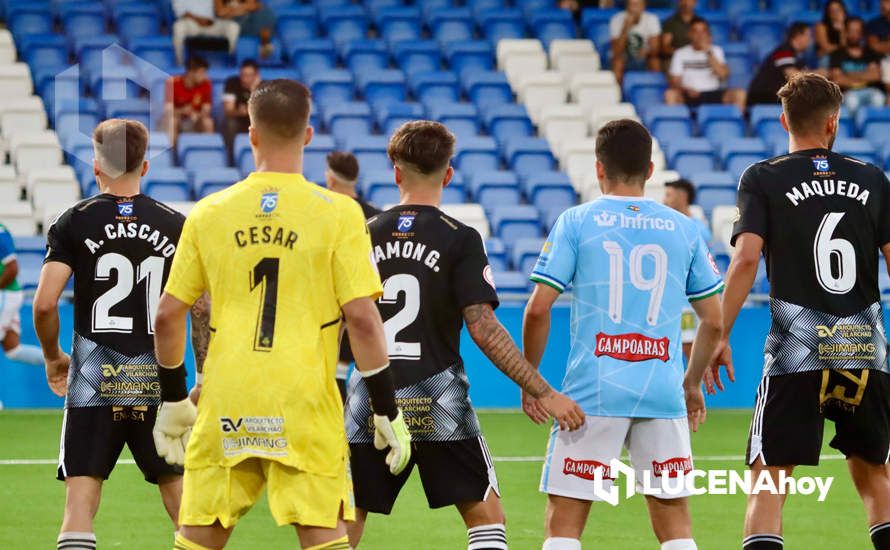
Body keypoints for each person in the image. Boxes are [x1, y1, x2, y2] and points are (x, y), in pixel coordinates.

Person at [150, 79, 411, 550]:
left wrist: (172, 401)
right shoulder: (339, 213)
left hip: (227, 394)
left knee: (200, 535)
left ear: (251, 134)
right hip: (304, 398)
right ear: (308, 135)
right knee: (321, 532)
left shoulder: (208, 213)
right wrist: (385, 406)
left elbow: (168, 315)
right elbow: (364, 318)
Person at [344, 120, 584, 550]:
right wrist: (541, 389)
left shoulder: (360, 235)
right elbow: (484, 327)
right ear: (448, 174)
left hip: (370, 397)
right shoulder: (461, 239)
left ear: (395, 171)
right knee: (484, 517)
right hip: (438, 398)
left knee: (346, 516)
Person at [523, 119, 725, 550]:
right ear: (650, 170)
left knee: (565, 522)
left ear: (599, 168)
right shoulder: (684, 229)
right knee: (674, 524)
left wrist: (533, 380)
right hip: (662, 390)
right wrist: (690, 384)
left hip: (591, 393)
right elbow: (714, 320)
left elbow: (539, 308)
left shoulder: (576, 222)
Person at [711, 72, 890, 550]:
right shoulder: (873, 179)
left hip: (797, 353)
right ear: (833, 123)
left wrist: (718, 336)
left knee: (768, 480)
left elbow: (746, 258)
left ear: (782, 118)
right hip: (862, 350)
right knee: (876, 476)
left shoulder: (763, 177)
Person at [32, 119, 209, 550]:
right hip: (160, 380)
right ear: (145, 165)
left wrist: (54, 356)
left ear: (96, 165)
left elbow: (44, 303)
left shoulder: (74, 221)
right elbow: (203, 307)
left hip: (94, 382)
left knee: (79, 502)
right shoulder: (176, 224)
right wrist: (203, 377)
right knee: (182, 501)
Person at [325, 150, 381, 400]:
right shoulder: (376, 217)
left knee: (333, 375)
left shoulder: (324, 214)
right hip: (370, 305)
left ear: (331, 178)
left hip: (332, 307)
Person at [664, 179, 714, 364]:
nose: (664, 200)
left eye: (668, 195)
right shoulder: (667, 224)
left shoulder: (696, 229)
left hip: (687, 303)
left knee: (687, 347)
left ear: (682, 196)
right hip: (669, 299)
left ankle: (696, 388)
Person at [665, 18, 746, 109]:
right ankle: (676, 123)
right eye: (696, 31)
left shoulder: (716, 50)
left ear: (708, 34)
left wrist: (708, 52)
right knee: (670, 94)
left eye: (703, 31)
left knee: (740, 94)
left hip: (712, 93)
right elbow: (674, 82)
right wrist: (686, 89)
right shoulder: (680, 53)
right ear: (689, 34)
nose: (700, 35)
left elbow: (723, 75)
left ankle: (736, 123)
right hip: (689, 93)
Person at [0, 223, 43, 366]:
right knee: (13, 350)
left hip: (5, 294)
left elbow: (12, 269)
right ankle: (69, 365)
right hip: (7, 296)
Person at [747, 22, 816, 107]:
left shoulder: (798, 57)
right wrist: (818, 74)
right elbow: (793, 76)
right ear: (798, 36)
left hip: (777, 96)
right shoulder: (783, 51)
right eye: (808, 36)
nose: (810, 40)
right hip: (763, 96)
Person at [829, 17, 886, 116]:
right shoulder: (837, 54)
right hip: (849, 93)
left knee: (878, 99)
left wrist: (848, 75)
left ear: (862, 34)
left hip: (871, 91)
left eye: (857, 31)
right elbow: (837, 79)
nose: (854, 35)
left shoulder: (871, 53)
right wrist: (865, 76)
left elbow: (875, 76)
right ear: (845, 32)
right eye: (851, 31)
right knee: (852, 101)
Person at [171, 0, 239, 66]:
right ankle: (180, 63)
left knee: (233, 27)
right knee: (178, 27)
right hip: (191, 24)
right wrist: (198, 19)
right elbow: (180, 12)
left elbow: (220, 10)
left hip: (212, 23)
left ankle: (231, 61)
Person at [165, 56, 214, 146]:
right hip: (178, 119)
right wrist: (182, 111)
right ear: (191, 73)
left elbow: (206, 110)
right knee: (172, 121)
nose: (205, 76)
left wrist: (196, 114)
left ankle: (207, 153)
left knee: (208, 122)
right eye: (202, 73)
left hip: (196, 119)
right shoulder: (173, 83)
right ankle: (172, 155)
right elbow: (168, 111)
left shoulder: (206, 84)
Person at [609, 0, 661, 83]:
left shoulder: (652, 19)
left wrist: (646, 52)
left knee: (654, 61)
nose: (633, 8)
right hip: (624, 56)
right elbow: (617, 51)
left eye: (637, 5)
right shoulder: (616, 19)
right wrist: (625, 28)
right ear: (627, 6)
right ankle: (618, 94)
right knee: (618, 62)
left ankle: (654, 91)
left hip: (644, 56)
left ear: (643, 6)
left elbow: (655, 48)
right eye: (631, 4)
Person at [222, 59, 261, 164]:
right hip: (237, 120)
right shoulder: (232, 83)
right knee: (230, 124)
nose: (245, 79)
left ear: (256, 75)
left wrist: (254, 90)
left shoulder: (264, 86)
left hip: (256, 122)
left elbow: (264, 112)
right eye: (243, 75)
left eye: (249, 75)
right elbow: (228, 110)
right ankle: (231, 160)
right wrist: (239, 112)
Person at [660, 0, 698, 68]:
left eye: (690, 1)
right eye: (683, 0)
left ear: (695, 2)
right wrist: (681, 54)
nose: (686, 3)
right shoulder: (670, 22)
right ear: (678, 2)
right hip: (674, 59)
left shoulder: (700, 23)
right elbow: (665, 47)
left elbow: (705, 43)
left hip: (696, 58)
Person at [866, 0, 890, 93]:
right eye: (881, 2)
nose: (882, 5)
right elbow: (874, 46)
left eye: (887, 2)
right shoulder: (874, 24)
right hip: (884, 59)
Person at [816, 0, 848, 64]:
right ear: (827, 12)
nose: (835, 13)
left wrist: (842, 30)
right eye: (832, 10)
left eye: (837, 10)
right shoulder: (821, 26)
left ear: (843, 10)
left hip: (845, 55)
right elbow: (826, 48)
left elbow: (847, 46)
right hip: (827, 56)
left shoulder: (849, 24)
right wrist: (840, 47)